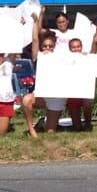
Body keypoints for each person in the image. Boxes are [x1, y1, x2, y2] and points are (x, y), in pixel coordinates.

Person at [21, 7, 65, 137]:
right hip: (41, 94)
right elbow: (35, 39)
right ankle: (31, 129)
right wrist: (37, 19)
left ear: (54, 46)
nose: (47, 48)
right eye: (45, 46)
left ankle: (43, 123)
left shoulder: (60, 56)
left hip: (56, 96)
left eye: (50, 46)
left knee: (50, 132)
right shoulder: (38, 57)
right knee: (26, 100)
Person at [67, 12, 97, 131]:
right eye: (73, 47)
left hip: (85, 87)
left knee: (87, 104)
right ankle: (78, 125)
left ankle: (88, 123)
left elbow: (95, 40)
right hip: (72, 90)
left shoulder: (87, 57)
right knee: (77, 128)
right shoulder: (65, 59)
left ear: (81, 46)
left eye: (78, 46)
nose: (76, 49)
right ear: (69, 49)